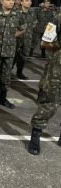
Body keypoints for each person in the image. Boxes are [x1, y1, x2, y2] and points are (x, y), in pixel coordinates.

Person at [28, 13, 61, 155]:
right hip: (57, 71)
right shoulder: (57, 19)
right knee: (48, 104)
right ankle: (35, 135)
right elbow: (44, 43)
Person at [13, 0, 37, 79]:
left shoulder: (32, 13)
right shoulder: (15, 12)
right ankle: (8, 73)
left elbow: (34, 24)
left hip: (27, 39)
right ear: (21, 2)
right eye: (26, 0)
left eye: (30, 1)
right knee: (13, 57)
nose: (29, 2)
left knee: (23, 57)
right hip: (16, 39)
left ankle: (19, 73)